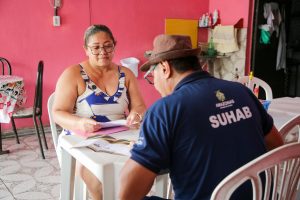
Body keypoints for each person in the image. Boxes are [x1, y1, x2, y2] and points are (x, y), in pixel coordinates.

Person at [119, 34, 284, 200]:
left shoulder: (165, 109)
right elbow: (277, 144)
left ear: (164, 68)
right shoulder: (242, 91)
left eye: (152, 77)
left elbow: (127, 194)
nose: (154, 84)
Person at [52, 24, 146, 200]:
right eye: (95, 47)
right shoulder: (73, 74)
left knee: (144, 165)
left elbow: (139, 106)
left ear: (114, 45)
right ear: (86, 50)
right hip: (82, 139)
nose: (103, 51)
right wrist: (79, 123)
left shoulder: (126, 74)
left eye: (108, 45)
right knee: (94, 175)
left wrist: (136, 115)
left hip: (120, 137)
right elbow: (58, 112)